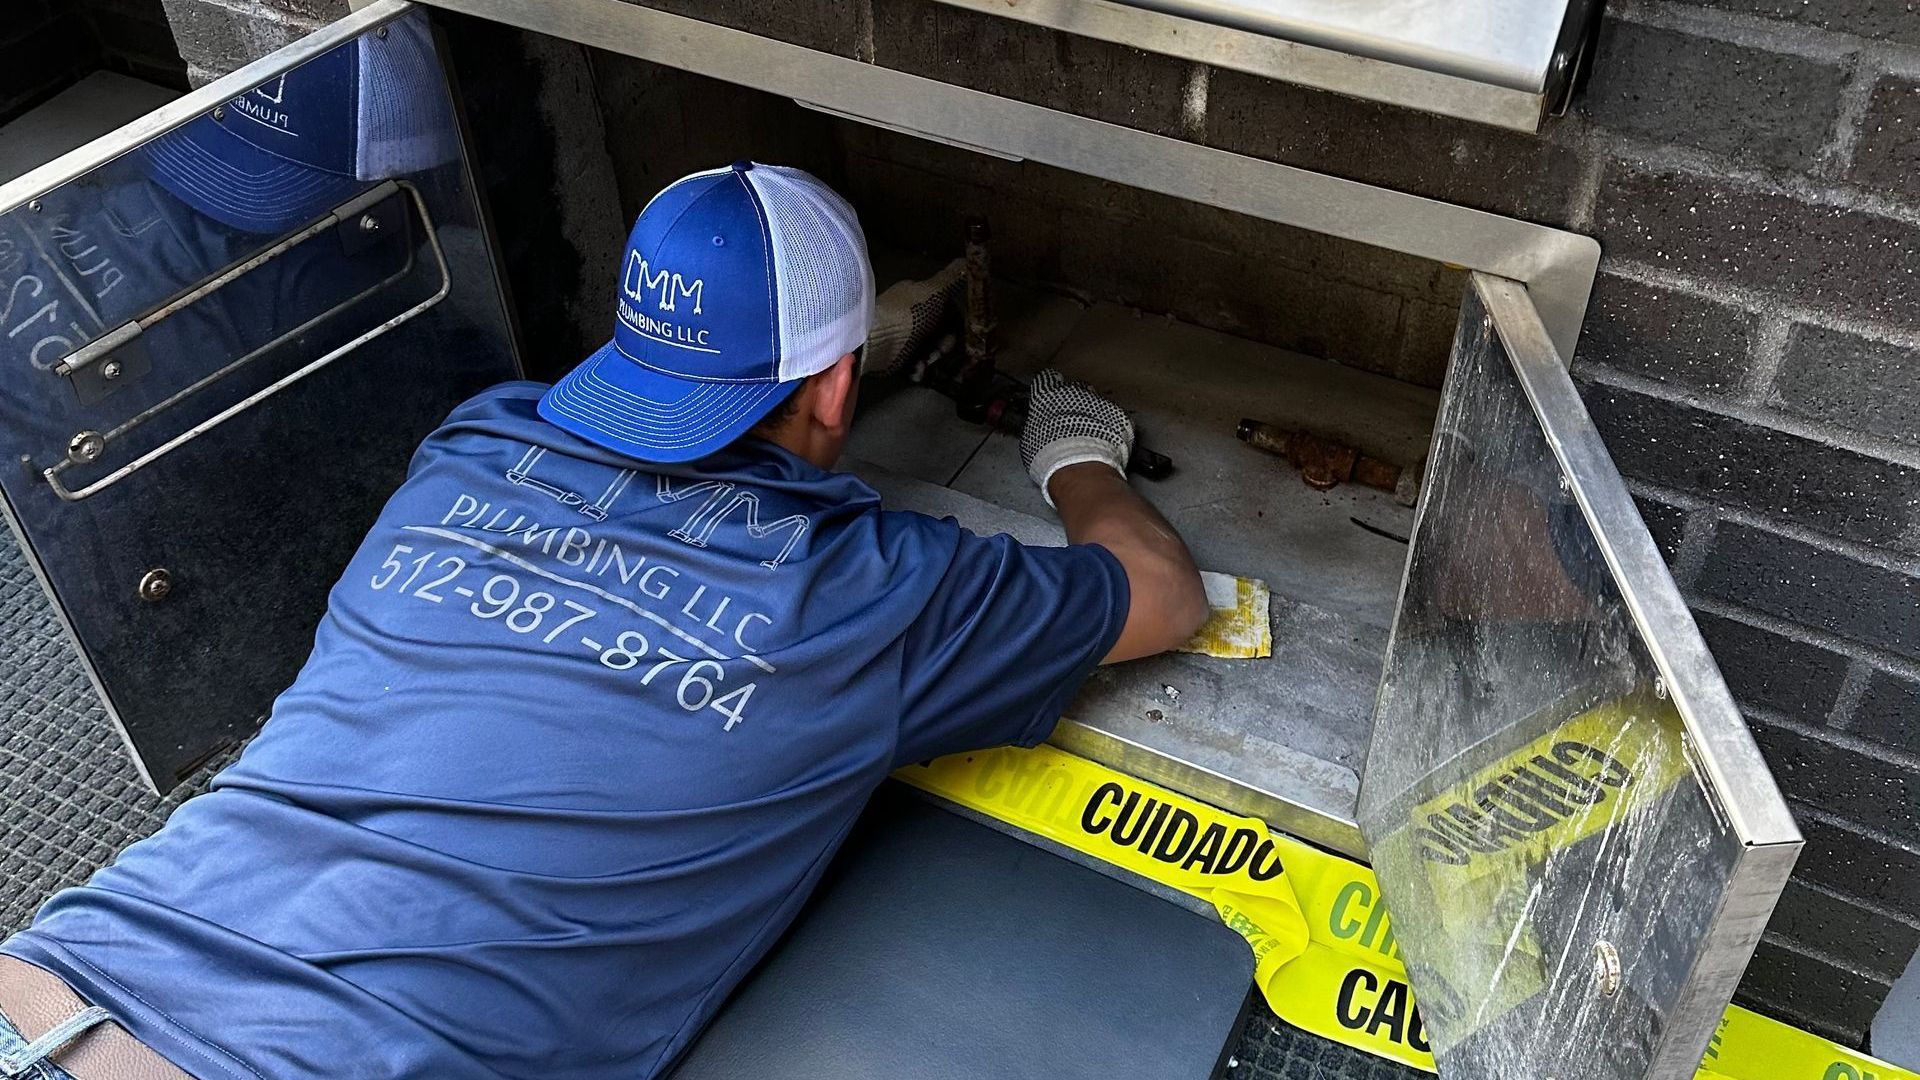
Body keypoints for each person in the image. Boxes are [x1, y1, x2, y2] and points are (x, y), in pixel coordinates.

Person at [0, 161, 1207, 1080]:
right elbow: (1162, 593)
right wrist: (1076, 460)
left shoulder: (474, 445)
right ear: (841, 381)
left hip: (50, 984)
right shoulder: (877, 593)